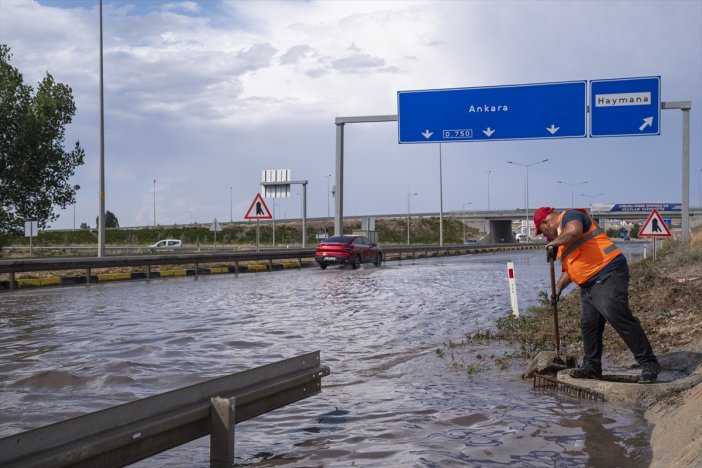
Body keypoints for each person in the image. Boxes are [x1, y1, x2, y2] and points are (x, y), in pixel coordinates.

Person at [533, 206, 661, 383]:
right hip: (589, 283)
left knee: (616, 314)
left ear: (546, 222)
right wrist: (558, 288)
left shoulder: (570, 217)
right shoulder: (562, 242)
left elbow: (574, 231)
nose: (545, 236)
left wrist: (553, 244)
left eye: (542, 232)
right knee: (589, 324)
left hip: (608, 272)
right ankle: (592, 367)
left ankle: (649, 363)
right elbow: (571, 271)